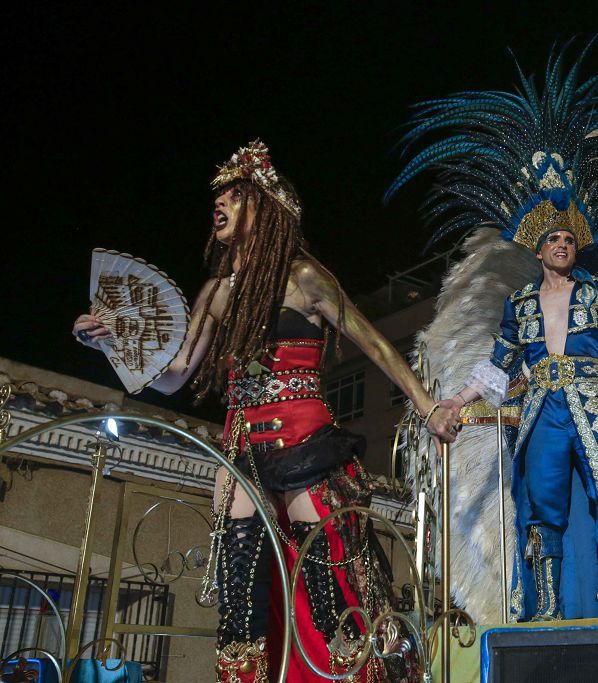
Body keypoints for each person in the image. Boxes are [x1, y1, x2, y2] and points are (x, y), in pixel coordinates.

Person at [73, 139, 459, 682]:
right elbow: (178, 374)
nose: (222, 202)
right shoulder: (215, 292)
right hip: (241, 449)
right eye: (221, 195)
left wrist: (427, 408)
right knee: (241, 592)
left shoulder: (305, 279)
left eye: (237, 194)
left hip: (305, 440)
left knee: (330, 583)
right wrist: (114, 343)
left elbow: (376, 346)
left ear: (268, 210)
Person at [386, 38, 598, 621]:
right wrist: (456, 400)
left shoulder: (595, 294)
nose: (564, 246)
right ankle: (543, 606)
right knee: (542, 506)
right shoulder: (519, 303)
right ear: (540, 250)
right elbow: (497, 362)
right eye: (555, 241)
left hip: (591, 402)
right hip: (543, 404)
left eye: (569, 240)